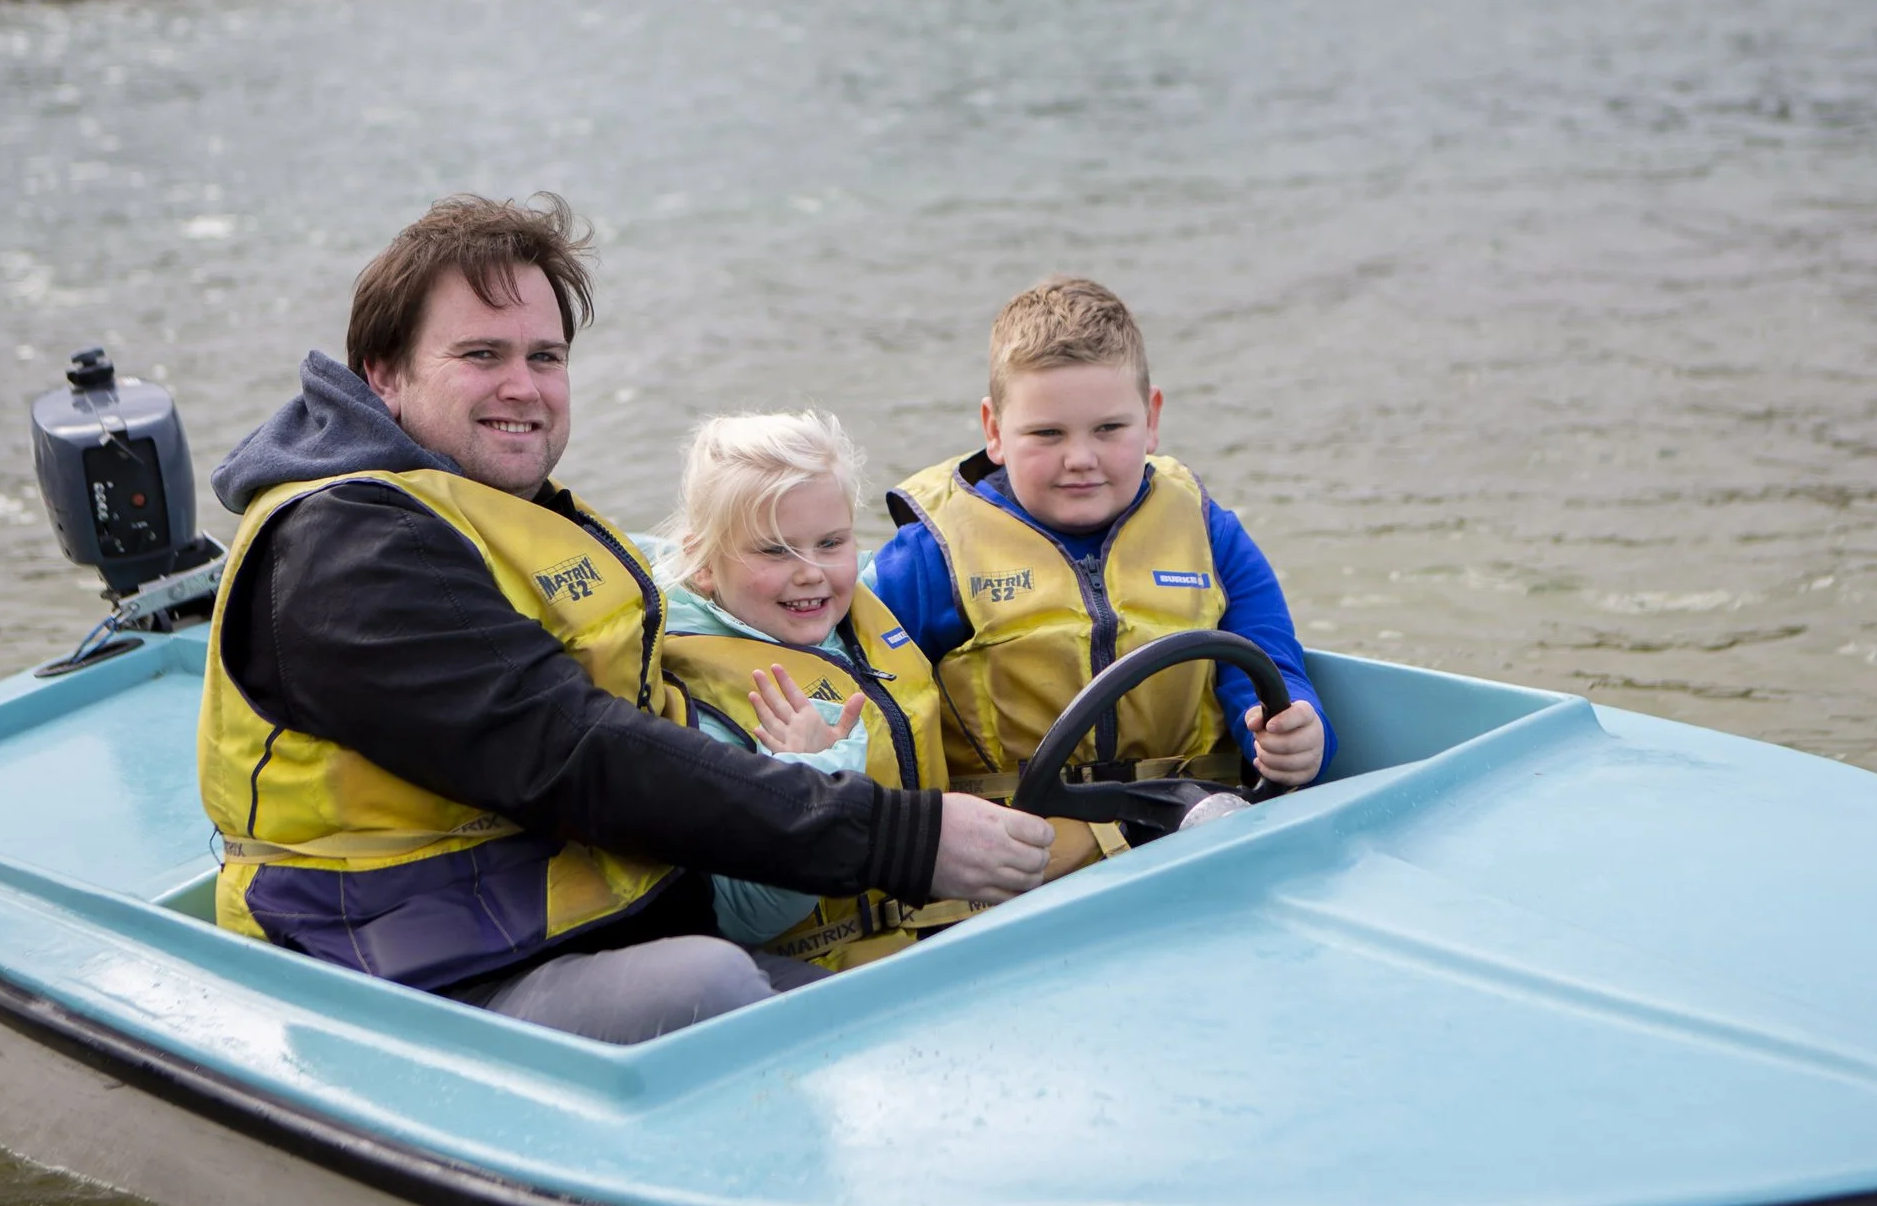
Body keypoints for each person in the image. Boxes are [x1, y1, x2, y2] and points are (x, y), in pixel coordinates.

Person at [197, 195, 1051, 1044]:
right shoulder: (346, 550)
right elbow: (567, 751)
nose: (523, 387)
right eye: (481, 354)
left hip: (552, 925)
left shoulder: (490, 507)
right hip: (395, 973)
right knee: (707, 980)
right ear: (383, 372)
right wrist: (901, 837)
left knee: (902, 1010)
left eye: (546, 355)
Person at [872, 276, 1331, 866]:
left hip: (1193, 828)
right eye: (1046, 433)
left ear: (1152, 416)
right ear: (994, 431)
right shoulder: (929, 557)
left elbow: (1270, 668)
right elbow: (866, 701)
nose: (1080, 459)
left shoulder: (1210, 533)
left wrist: (1296, 736)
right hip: (1021, 859)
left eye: (1109, 429)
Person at [648, 411, 955, 971]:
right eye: (774, 551)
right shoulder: (696, 703)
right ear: (705, 567)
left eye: (829, 542)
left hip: (948, 933)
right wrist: (808, 781)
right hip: (824, 975)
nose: (811, 572)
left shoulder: (864, 608)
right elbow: (742, 913)